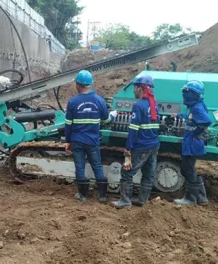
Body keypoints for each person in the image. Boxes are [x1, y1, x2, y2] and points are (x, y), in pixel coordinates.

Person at [65, 70, 117, 202]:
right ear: (90, 84)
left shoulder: (72, 102)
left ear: (78, 84)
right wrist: (113, 115)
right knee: (97, 166)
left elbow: (68, 125)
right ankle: (102, 196)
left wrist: (67, 141)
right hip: (93, 141)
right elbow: (106, 121)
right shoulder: (99, 101)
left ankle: (83, 195)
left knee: (80, 167)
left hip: (77, 140)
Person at [113, 74, 160, 209]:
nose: (133, 91)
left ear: (140, 88)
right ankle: (142, 200)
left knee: (127, 173)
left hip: (142, 146)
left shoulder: (138, 106)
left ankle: (125, 201)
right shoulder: (154, 105)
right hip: (154, 145)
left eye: (135, 88)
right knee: (148, 174)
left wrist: (128, 148)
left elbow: (133, 130)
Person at [174, 80, 211, 205]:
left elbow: (206, 121)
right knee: (190, 169)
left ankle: (191, 198)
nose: (184, 94)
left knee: (187, 170)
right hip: (191, 143)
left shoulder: (197, 107)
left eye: (186, 92)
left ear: (194, 93)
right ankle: (201, 198)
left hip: (192, 143)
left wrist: (196, 133)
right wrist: (180, 115)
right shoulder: (194, 106)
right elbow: (192, 118)